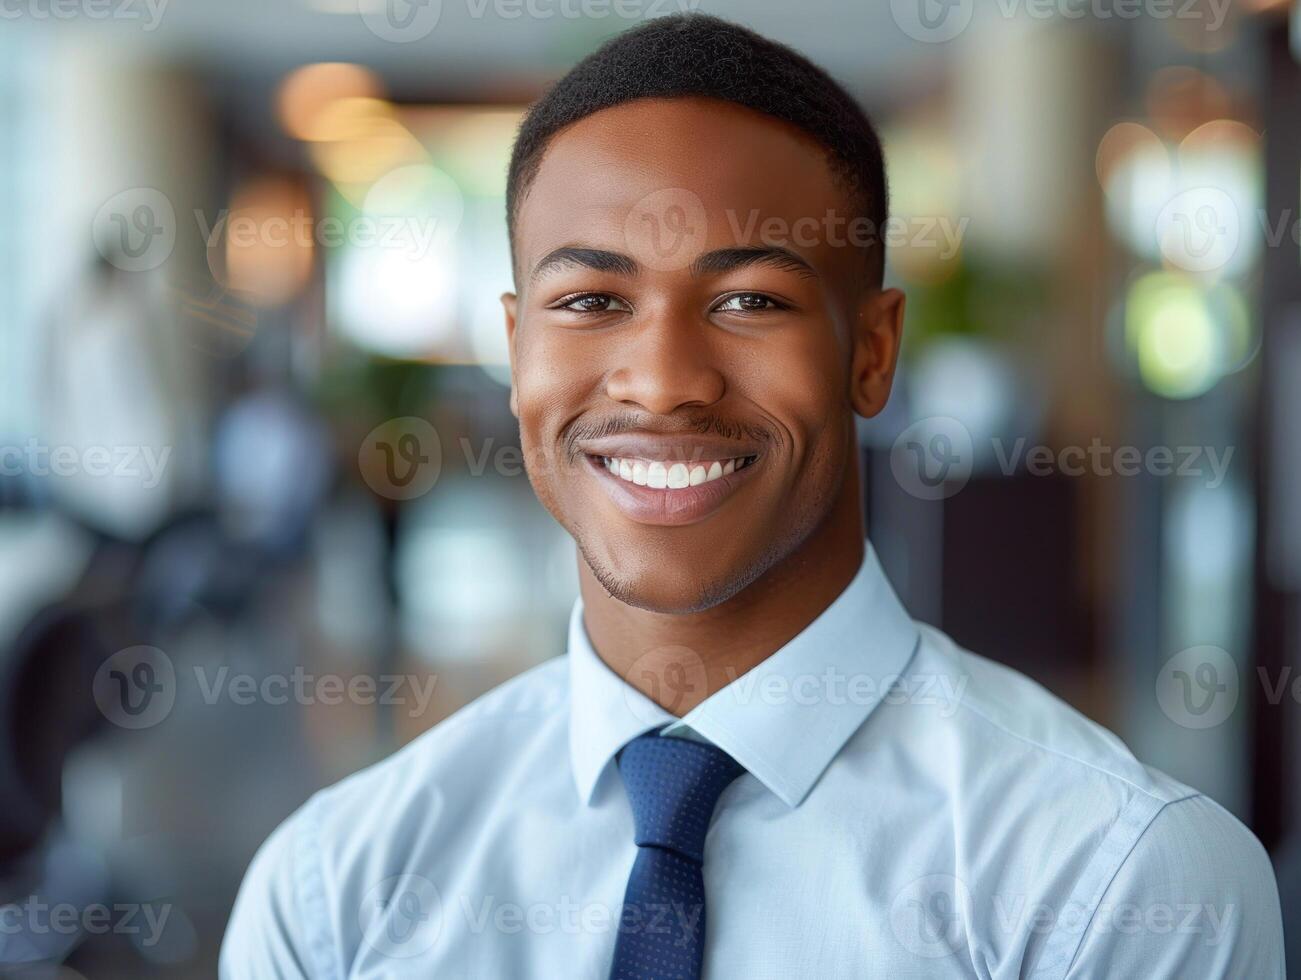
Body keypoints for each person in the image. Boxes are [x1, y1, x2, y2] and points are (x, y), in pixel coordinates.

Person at [221, 14, 1285, 978]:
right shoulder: (334, 893)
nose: (661, 377)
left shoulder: (1115, 884)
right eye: (590, 298)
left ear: (870, 353)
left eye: (746, 299)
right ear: (515, 349)